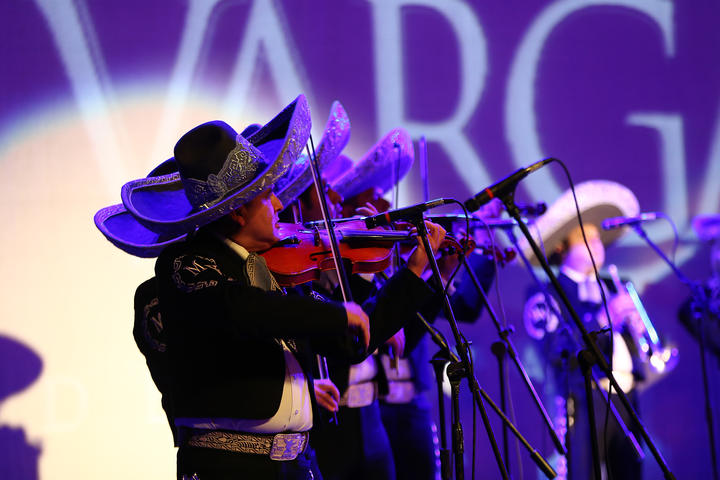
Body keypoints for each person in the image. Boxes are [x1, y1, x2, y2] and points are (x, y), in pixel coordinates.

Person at [94, 95, 444, 479]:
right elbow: (242, 311)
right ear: (240, 209)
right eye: (266, 196)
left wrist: (414, 274)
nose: (279, 203)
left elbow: (352, 340)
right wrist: (334, 313)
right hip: (232, 469)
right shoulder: (186, 266)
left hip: (296, 466)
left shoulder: (269, 270)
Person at [521, 180, 675, 480]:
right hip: (584, 398)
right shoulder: (547, 292)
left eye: (598, 239)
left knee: (630, 471)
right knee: (584, 473)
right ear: (563, 247)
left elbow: (626, 339)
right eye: (586, 239)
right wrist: (604, 318)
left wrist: (635, 330)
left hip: (627, 395)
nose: (597, 245)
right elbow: (556, 351)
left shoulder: (611, 284)